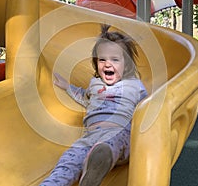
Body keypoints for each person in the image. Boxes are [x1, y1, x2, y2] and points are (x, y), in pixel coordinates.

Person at [40, 24, 147, 186]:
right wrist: (67, 86)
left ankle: (99, 159)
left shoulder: (134, 85)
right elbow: (85, 98)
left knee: (110, 144)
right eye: (102, 59)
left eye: (115, 59)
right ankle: (58, 182)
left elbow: (147, 107)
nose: (107, 64)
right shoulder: (95, 84)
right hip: (90, 137)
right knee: (68, 162)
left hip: (119, 132)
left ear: (127, 64)